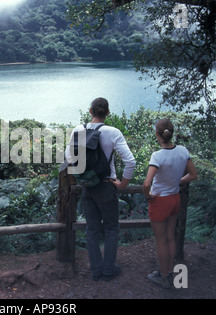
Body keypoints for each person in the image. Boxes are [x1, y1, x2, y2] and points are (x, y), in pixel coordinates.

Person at [65, 97, 136, 281]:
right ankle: (108, 270)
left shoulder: (79, 130)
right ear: (108, 113)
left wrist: (82, 176)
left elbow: (67, 157)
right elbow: (130, 161)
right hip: (106, 186)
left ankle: (96, 271)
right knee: (111, 229)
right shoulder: (113, 132)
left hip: (88, 186)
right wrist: (123, 184)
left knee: (92, 230)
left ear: (90, 111)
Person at [143, 119, 198, 289]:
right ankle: (170, 272)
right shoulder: (182, 151)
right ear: (171, 133)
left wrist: (148, 195)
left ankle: (165, 276)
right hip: (175, 199)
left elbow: (146, 184)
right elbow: (193, 175)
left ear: (157, 135)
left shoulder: (157, 156)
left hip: (160, 201)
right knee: (170, 238)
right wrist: (178, 181)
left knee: (161, 241)